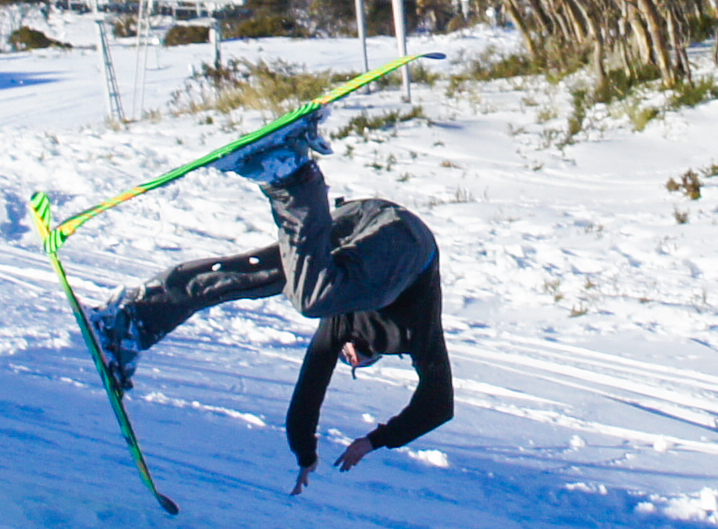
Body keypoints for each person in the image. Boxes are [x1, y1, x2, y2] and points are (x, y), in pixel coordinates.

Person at [86, 115, 452, 492]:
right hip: (407, 243)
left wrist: (305, 454)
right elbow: (438, 405)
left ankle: (134, 321)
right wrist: (374, 441)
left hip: (362, 222)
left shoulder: (338, 326)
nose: (347, 355)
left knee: (259, 277)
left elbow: (306, 397)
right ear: (375, 355)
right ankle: (294, 174)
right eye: (354, 359)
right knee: (313, 297)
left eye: (345, 359)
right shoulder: (416, 335)